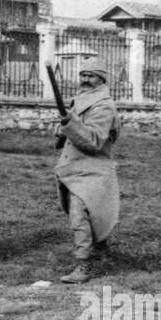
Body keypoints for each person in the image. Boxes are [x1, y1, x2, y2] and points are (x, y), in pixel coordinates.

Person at [54, 57, 122, 285]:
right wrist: (62, 127)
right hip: (74, 167)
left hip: (94, 169)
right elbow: (71, 129)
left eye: (90, 76)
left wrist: (70, 123)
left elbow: (93, 140)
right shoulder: (81, 99)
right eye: (83, 75)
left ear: (101, 78)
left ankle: (84, 264)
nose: (85, 80)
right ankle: (101, 249)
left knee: (79, 215)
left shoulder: (104, 106)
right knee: (88, 215)